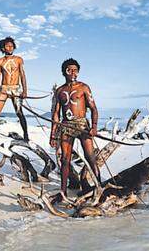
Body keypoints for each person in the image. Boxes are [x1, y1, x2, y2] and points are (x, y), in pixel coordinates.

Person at [50, 58, 100, 198]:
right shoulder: (60, 90)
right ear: (64, 72)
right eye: (69, 70)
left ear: (78, 72)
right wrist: (53, 135)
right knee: (65, 160)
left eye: (75, 70)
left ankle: (99, 188)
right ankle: (63, 192)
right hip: (66, 126)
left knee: (90, 157)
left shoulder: (84, 87)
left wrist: (94, 127)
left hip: (83, 125)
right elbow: (55, 114)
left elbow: (94, 109)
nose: (72, 72)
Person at [0, 37, 29, 141]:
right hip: (4, 88)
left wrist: (25, 90)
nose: (10, 48)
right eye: (7, 46)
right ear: (3, 48)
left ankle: (26, 135)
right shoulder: (0, 61)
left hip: (16, 88)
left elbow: (22, 75)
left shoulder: (19, 59)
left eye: (11, 46)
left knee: (19, 112)